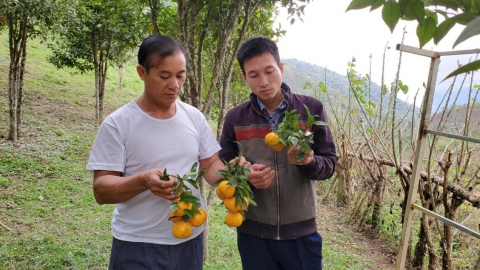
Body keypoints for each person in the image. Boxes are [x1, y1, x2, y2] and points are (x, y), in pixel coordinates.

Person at [86, 34, 232, 270]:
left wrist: (236, 175)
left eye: (180, 75)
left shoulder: (193, 117)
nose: (174, 85)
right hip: (137, 246)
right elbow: (101, 190)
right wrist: (143, 181)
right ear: (142, 73)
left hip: (189, 241)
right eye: (164, 76)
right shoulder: (118, 124)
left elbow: (211, 164)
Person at [218, 36, 338, 270]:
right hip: (254, 235)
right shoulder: (235, 118)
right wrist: (243, 175)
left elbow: (330, 164)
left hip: (302, 234)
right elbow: (222, 166)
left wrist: (309, 163)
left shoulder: (311, 109)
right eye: (253, 75)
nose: (263, 81)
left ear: (281, 69)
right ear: (244, 78)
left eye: (269, 71)